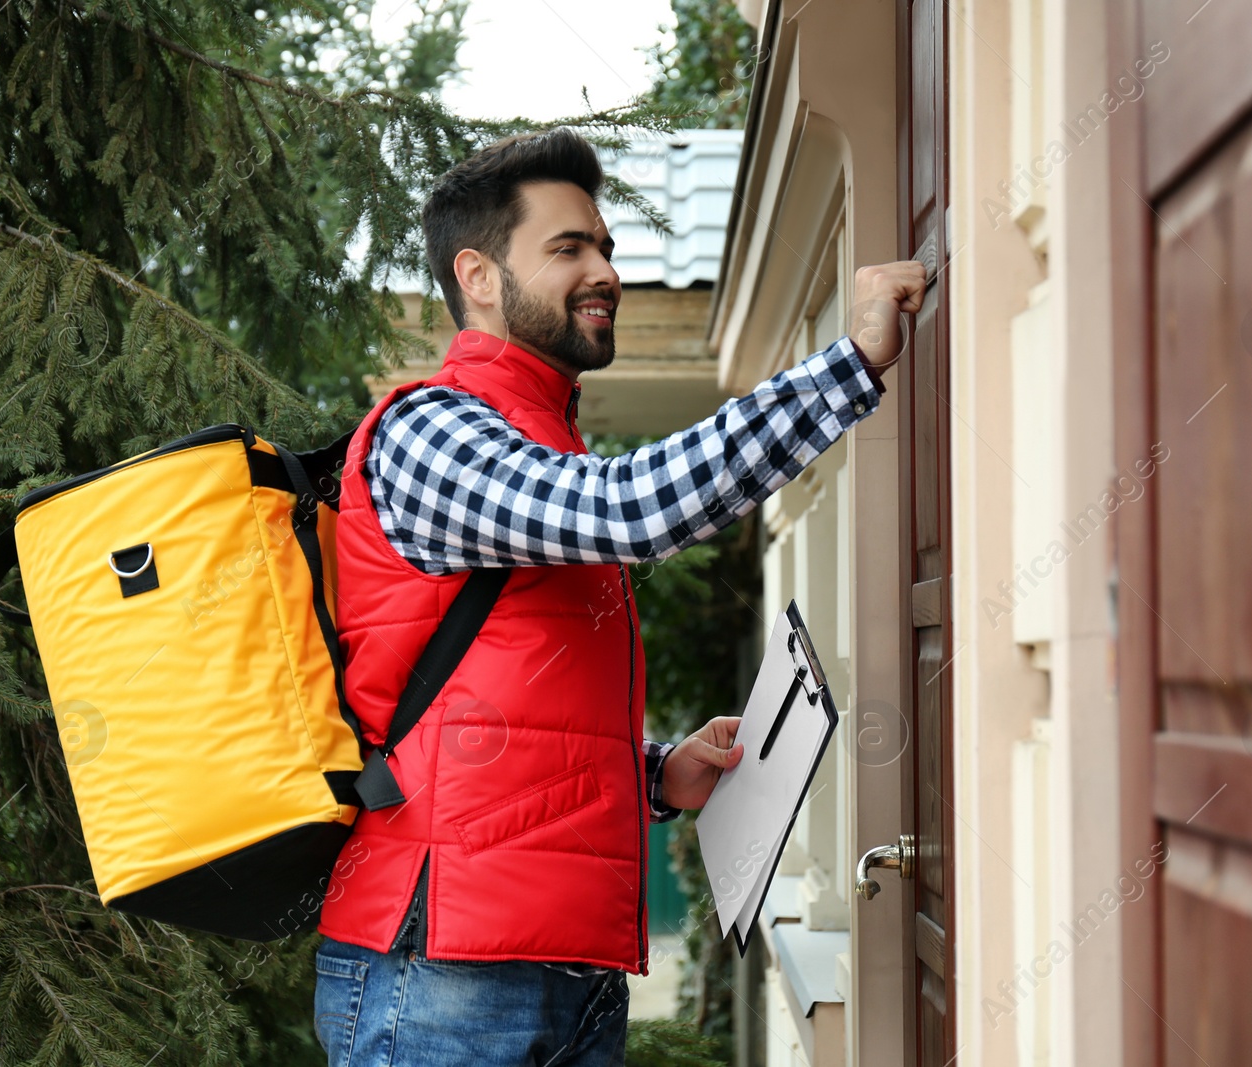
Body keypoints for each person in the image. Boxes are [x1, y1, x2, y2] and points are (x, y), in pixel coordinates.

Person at [312, 126, 924, 1067]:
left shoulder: (544, 447)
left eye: (605, 246)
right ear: (476, 275)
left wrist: (651, 772)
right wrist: (847, 366)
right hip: (442, 972)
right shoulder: (429, 431)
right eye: (568, 249)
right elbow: (633, 510)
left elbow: (498, 707)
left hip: (561, 966)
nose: (604, 270)